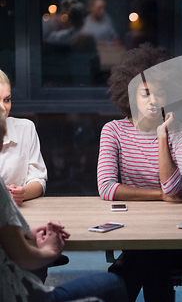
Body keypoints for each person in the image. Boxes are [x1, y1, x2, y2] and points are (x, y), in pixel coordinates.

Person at [97, 43, 182, 302]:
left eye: (160, 94)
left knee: (143, 261)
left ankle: (116, 285)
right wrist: (161, 196)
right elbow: (106, 188)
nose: (153, 101)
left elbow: (173, 189)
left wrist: (161, 135)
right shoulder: (113, 131)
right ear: (131, 94)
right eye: (145, 93)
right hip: (136, 231)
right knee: (152, 263)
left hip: (177, 232)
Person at [0, 107, 128, 302]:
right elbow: (25, 257)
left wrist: (26, 230)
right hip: (21, 295)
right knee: (115, 283)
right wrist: (50, 251)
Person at [0, 69, 47, 206]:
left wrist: (22, 193)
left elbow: (39, 180)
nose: (3, 108)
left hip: (19, 215)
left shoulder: (25, 129)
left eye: (7, 100)